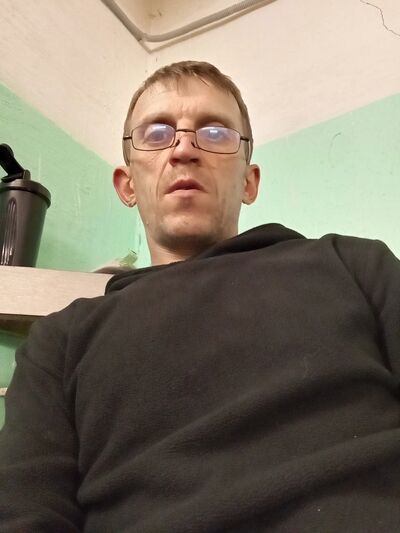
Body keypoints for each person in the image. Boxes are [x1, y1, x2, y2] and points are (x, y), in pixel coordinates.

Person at [0, 60, 399, 532]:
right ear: (127, 185)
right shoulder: (60, 340)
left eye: (214, 132)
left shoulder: (353, 265)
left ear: (249, 181)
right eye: (157, 133)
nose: (184, 149)